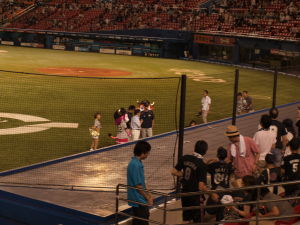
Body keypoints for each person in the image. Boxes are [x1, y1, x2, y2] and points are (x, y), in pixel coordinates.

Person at [172, 140, 217, 223]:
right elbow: (201, 186)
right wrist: (212, 194)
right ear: (205, 151)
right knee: (198, 219)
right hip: (195, 196)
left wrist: (184, 174)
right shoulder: (202, 165)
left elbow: (173, 172)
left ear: (195, 148)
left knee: (187, 218)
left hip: (184, 193)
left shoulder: (185, 158)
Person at [127, 141, 153, 225]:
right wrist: (147, 197)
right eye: (147, 153)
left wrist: (149, 194)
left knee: (138, 220)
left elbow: (143, 181)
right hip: (139, 200)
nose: (148, 155)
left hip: (140, 199)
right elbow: (138, 185)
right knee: (142, 221)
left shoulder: (137, 162)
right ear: (142, 153)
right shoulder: (135, 165)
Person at [206, 147, 234, 221]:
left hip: (215, 192)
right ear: (226, 156)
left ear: (218, 155)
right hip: (225, 192)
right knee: (221, 210)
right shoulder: (229, 166)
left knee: (209, 209)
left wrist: (210, 160)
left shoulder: (213, 165)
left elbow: (204, 168)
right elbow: (232, 173)